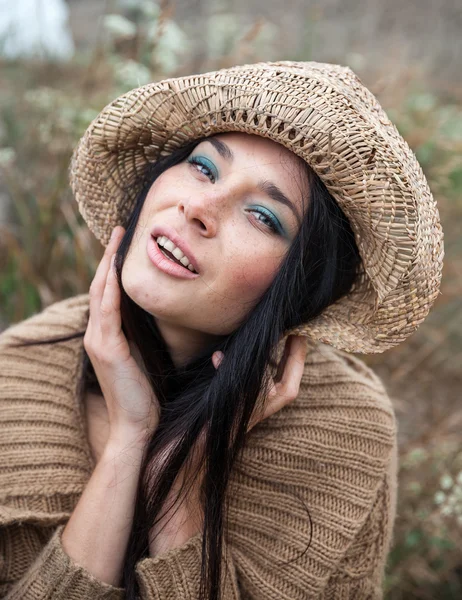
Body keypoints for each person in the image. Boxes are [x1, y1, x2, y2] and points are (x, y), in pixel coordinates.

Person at [0, 60, 444, 600]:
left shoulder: (346, 428)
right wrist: (129, 439)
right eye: (204, 167)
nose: (199, 206)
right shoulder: (17, 368)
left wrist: (179, 476)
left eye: (263, 215)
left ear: (298, 288)